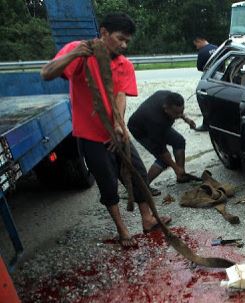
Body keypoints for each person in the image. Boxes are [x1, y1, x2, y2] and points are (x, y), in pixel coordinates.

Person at [40, 13, 171, 247]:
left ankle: (148, 218)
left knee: (138, 174)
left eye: (127, 41)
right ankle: (122, 230)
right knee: (108, 184)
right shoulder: (80, 52)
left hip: (117, 133)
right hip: (90, 136)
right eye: (120, 38)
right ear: (103, 33)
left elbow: (121, 94)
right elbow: (46, 73)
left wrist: (119, 126)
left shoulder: (124, 64)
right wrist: (73, 54)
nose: (123, 45)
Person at [128, 90, 201, 188]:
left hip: (158, 125)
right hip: (141, 130)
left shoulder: (169, 97)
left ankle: (181, 176)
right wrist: (175, 167)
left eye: (181, 111)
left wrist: (186, 119)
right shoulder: (156, 121)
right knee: (163, 160)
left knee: (179, 141)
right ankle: (143, 187)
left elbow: (178, 110)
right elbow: (162, 151)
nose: (179, 115)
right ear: (166, 108)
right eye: (176, 113)